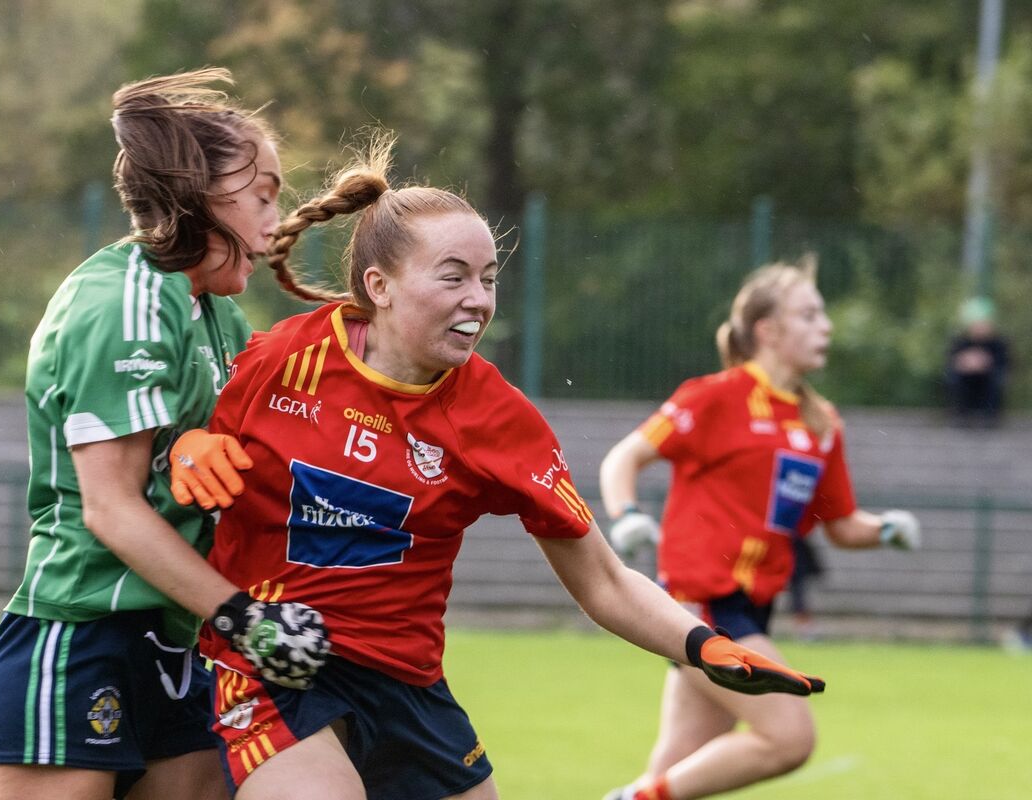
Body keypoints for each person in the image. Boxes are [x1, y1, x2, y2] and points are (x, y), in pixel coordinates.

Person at [169, 135, 825, 800]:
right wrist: (185, 444)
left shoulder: (498, 420)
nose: (478, 300)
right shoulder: (283, 360)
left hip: (408, 687)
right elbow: (149, 461)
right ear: (380, 287)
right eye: (453, 277)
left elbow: (602, 581)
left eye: (488, 280)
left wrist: (702, 646)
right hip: (275, 663)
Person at [0, 68, 330, 800]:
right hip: (82, 635)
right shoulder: (126, 304)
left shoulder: (216, 314)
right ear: (198, 195)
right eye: (262, 195)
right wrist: (243, 615)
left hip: (175, 634)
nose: (276, 219)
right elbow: (111, 508)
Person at [598, 258, 922, 800]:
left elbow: (841, 526)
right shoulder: (715, 396)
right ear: (767, 330)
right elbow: (624, 458)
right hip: (702, 604)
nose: (827, 326)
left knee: (675, 769)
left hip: (753, 606)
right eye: (810, 315)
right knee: (789, 738)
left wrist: (888, 529)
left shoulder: (820, 423)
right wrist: (627, 513)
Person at [945, 296, 1009, 428]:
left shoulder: (998, 344)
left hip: (988, 382)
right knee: (954, 379)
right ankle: (960, 414)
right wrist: (965, 364)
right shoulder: (960, 342)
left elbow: (1004, 365)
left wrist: (985, 364)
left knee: (996, 379)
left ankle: (989, 416)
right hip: (967, 382)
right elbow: (951, 364)